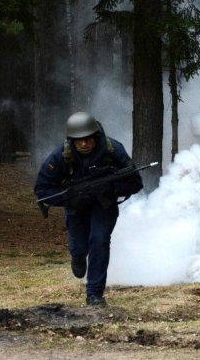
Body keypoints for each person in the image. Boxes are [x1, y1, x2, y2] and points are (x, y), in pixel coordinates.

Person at [34, 112, 143, 307]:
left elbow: (135, 182)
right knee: (79, 247)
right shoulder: (60, 156)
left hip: (104, 205)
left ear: (95, 137)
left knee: (99, 241)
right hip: (76, 208)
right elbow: (43, 190)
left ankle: (94, 294)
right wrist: (71, 199)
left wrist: (112, 189)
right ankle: (77, 257)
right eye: (78, 141)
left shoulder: (113, 150)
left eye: (87, 139)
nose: (83, 144)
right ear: (71, 140)